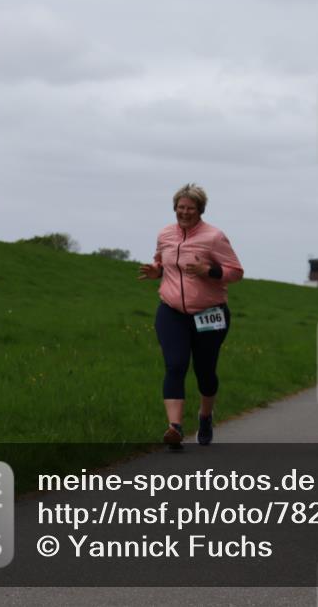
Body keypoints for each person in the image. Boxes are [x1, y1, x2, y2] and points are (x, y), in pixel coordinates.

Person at [138, 183, 244, 449]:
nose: (184, 213)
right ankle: (174, 428)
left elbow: (236, 271)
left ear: (200, 210)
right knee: (175, 365)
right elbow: (163, 261)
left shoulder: (214, 237)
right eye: (180, 208)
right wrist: (157, 270)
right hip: (171, 311)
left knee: (205, 371)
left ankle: (205, 416)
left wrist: (209, 270)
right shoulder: (165, 234)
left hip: (210, 314)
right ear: (175, 208)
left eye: (190, 209)